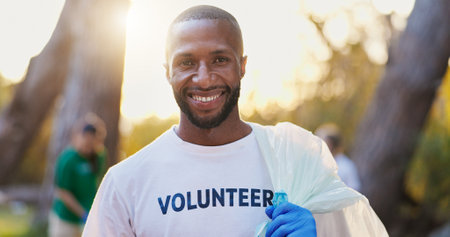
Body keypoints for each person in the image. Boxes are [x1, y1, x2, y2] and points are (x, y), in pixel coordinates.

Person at [83, 5, 387, 237]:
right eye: (186, 62)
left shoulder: (296, 160)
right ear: (167, 72)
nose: (203, 79)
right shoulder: (125, 183)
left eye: (220, 59)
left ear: (242, 66)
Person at [49, 114, 106, 237]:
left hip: (88, 217)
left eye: (92, 142)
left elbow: (97, 181)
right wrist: (82, 214)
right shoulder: (68, 159)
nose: (88, 146)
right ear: (76, 137)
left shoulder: (99, 157)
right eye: (85, 140)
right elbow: (63, 192)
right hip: (66, 219)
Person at [315, 123, 361, 191]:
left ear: (332, 144)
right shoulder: (316, 163)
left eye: (324, 142)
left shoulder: (346, 166)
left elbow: (354, 189)